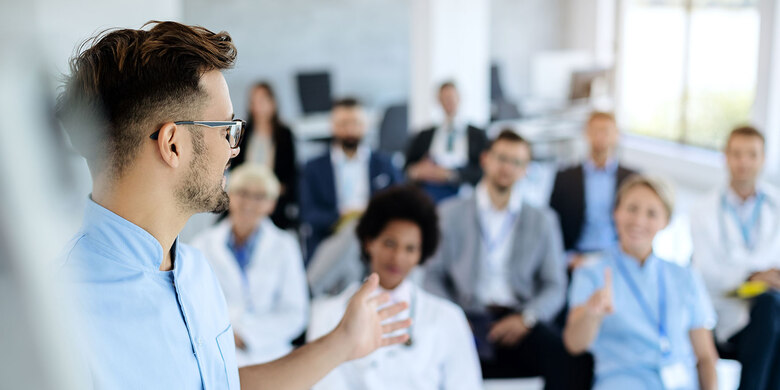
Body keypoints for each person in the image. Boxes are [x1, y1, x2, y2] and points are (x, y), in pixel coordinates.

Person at [57, 21, 410, 390]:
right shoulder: (59, 317)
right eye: (226, 129)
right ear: (173, 144)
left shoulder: (195, 272)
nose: (234, 149)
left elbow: (221, 383)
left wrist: (342, 343)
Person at [424, 130, 582, 389]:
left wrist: (527, 317)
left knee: (571, 362)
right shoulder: (449, 214)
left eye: (516, 162)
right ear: (485, 159)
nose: (507, 168)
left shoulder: (542, 220)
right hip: (466, 315)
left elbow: (555, 284)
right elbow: (432, 276)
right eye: (501, 158)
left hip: (519, 317)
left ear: (526, 170)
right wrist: (454, 317)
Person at [308, 185, 483, 390]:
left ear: (421, 254)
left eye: (410, 248)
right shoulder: (327, 314)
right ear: (369, 242)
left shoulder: (448, 317)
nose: (398, 258)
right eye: (390, 243)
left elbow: (465, 385)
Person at [564, 175, 719, 390]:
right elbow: (574, 344)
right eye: (632, 209)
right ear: (616, 212)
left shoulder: (685, 276)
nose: (638, 221)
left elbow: (705, 357)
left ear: (666, 221)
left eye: (651, 213)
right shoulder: (592, 272)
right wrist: (592, 313)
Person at [191, 164, 308, 367]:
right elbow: (194, 304)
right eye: (242, 193)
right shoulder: (202, 245)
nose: (249, 203)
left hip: (270, 353)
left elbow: (295, 313)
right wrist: (225, 335)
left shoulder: (285, 246)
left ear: (271, 204)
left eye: (259, 196)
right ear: (229, 196)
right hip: (216, 347)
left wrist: (246, 337)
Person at [691, 126, 780, 390]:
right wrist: (755, 276)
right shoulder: (703, 210)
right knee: (770, 310)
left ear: (763, 159)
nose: (744, 162)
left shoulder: (776, 204)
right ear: (726, 157)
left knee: (771, 310)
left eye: (752, 155)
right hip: (726, 312)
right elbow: (705, 271)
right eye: (737, 154)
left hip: (770, 309)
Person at [300, 97, 402, 262]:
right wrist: (340, 216)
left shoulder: (385, 164)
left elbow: (400, 204)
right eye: (343, 123)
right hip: (330, 239)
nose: (349, 130)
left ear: (365, 125)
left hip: (376, 238)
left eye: (355, 123)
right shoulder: (313, 167)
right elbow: (308, 212)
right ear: (333, 126)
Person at [549, 111, 636, 269]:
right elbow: (551, 223)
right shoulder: (564, 177)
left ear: (616, 135)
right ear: (586, 134)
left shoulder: (632, 179)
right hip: (576, 258)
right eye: (595, 130)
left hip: (619, 258)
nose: (600, 136)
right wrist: (567, 258)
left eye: (606, 131)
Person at [230, 82, 299, 230]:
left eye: (262, 101)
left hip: (273, 198)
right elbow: (234, 168)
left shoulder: (284, 134)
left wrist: (274, 190)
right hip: (244, 195)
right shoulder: (243, 133)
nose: (258, 106)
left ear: (272, 103)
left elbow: (291, 173)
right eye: (254, 102)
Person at [405, 81, 488, 203]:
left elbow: (484, 169)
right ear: (438, 101)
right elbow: (407, 168)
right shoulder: (424, 135)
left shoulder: (477, 135)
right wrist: (418, 171)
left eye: (451, 97)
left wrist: (451, 174)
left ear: (459, 98)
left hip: (464, 190)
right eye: (444, 98)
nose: (448, 102)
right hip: (431, 191)